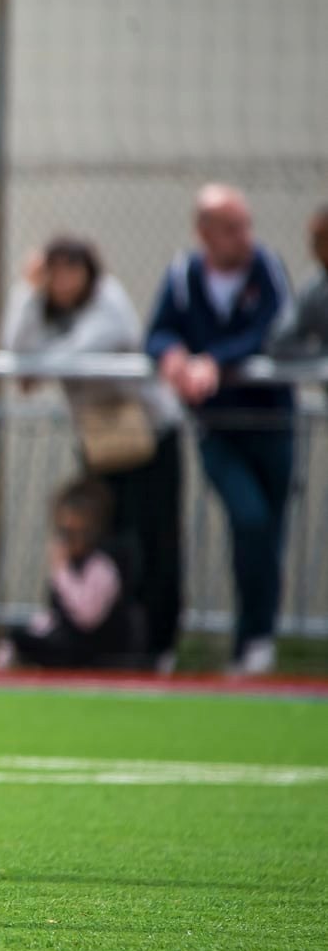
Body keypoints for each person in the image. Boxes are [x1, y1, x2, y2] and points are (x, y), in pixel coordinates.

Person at [3, 235, 185, 670]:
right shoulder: (47, 307)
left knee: (155, 541)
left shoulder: (110, 301)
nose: (63, 281)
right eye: (55, 271)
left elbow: (71, 357)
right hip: (101, 442)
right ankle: (112, 644)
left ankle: (159, 645)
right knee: (104, 542)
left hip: (150, 438)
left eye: (72, 269)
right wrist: (26, 292)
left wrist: (38, 363)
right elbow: (17, 353)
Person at [146, 184, 295, 675]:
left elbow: (274, 329)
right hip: (218, 426)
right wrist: (171, 355)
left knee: (267, 531)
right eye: (231, 228)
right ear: (205, 232)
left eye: (246, 225)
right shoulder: (183, 275)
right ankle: (248, 637)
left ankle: (255, 639)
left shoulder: (265, 269)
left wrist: (215, 360)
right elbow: (159, 329)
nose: (243, 237)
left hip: (269, 423)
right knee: (247, 517)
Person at [0, 479, 142, 670]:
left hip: (97, 647)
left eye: (76, 532)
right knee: (17, 638)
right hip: (70, 642)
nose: (69, 540)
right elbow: (57, 613)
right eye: (63, 532)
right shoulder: (70, 565)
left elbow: (87, 616)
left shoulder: (102, 566)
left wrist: (61, 572)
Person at [269, 204, 328, 367]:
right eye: (314, 239)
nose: (314, 247)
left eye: (322, 238)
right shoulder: (316, 289)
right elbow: (280, 342)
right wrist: (322, 354)